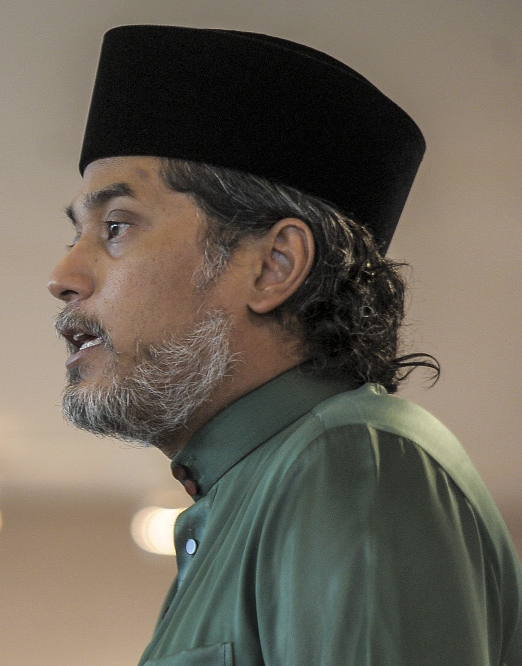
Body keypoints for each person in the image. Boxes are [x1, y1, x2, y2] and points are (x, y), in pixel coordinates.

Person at [48, 25, 522, 665]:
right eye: (77, 234)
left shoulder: (356, 463)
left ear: (273, 265)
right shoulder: (242, 499)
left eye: (116, 227)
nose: (64, 277)